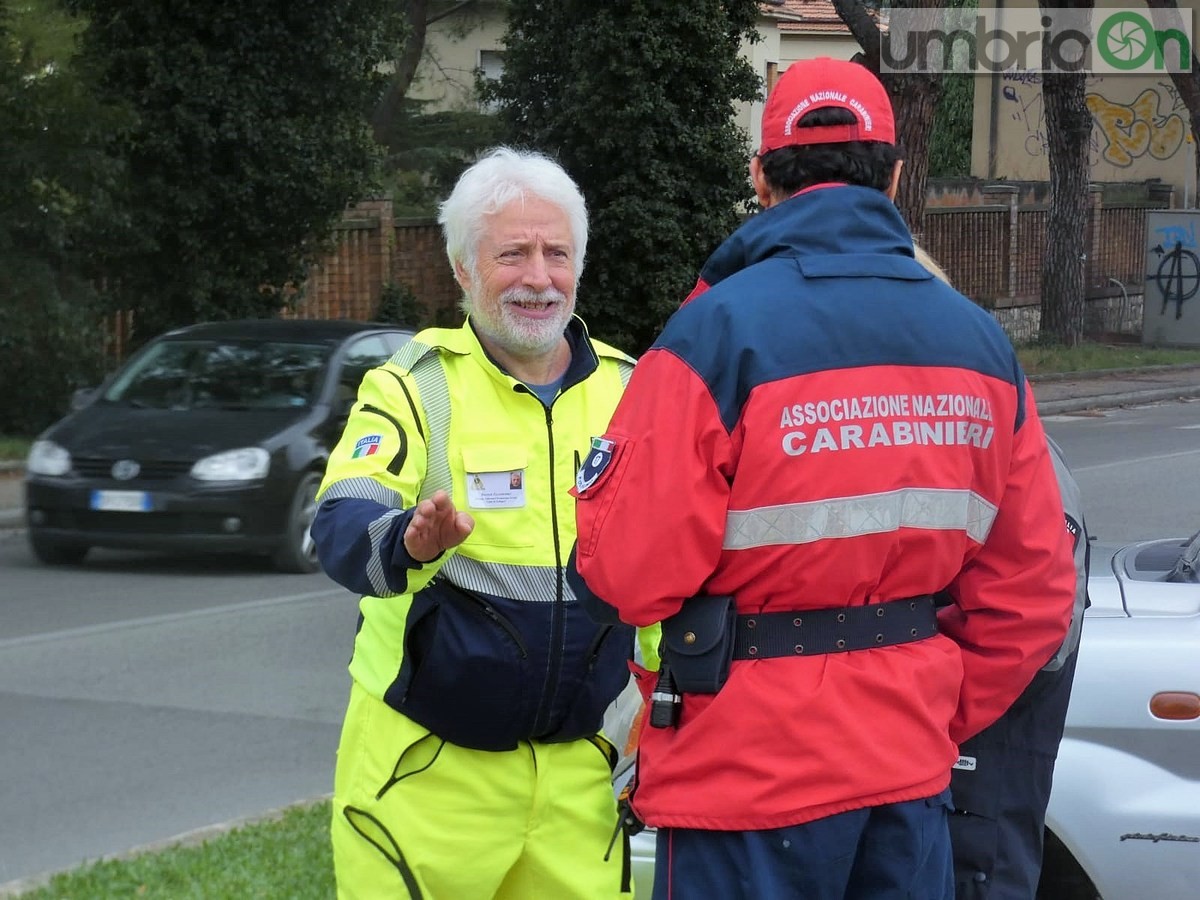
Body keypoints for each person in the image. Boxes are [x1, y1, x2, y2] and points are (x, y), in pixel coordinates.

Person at [567, 57, 1076, 899]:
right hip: (906, 778)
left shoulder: (715, 333)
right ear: (897, 174)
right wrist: (922, 705)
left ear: (761, 176)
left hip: (744, 782)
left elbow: (629, 574)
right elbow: (1032, 595)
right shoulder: (980, 343)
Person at [311, 146, 638, 899]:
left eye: (557, 253)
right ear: (463, 270)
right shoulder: (415, 387)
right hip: (424, 780)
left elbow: (666, 573)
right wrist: (406, 540)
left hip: (578, 789)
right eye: (511, 254)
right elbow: (340, 520)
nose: (537, 276)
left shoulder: (632, 392)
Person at [913, 246, 1092, 899]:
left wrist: (917, 712)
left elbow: (1034, 620)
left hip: (972, 788)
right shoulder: (946, 431)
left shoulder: (997, 437)